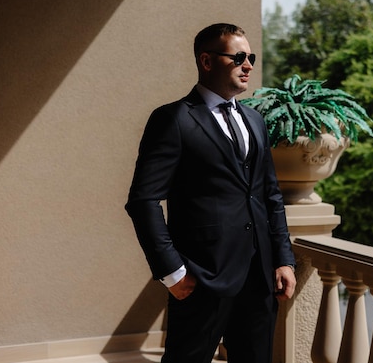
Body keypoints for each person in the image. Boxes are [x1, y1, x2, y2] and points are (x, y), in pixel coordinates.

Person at [125, 23, 296, 363]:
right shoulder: (173, 119)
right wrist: (172, 271)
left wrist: (283, 258)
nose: (248, 65)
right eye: (238, 57)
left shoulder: (255, 120)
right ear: (206, 60)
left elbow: (269, 196)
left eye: (251, 57)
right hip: (202, 277)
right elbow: (143, 201)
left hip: (259, 277)